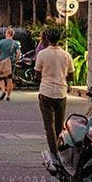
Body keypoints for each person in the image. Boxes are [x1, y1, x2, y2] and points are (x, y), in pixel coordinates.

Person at [35, 26, 75, 161]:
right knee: (59, 125)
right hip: (61, 93)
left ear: (47, 38)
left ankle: (54, 153)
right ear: (60, 39)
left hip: (46, 92)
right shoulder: (66, 55)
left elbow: (37, 74)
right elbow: (71, 77)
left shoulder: (42, 54)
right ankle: (60, 150)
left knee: (49, 126)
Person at [0, 29, 21, 101]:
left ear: (8, 33)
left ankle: (3, 91)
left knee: (0, 77)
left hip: (2, 61)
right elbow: (18, 53)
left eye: (6, 33)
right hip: (11, 62)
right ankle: (8, 96)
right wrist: (16, 60)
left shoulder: (2, 41)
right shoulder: (15, 43)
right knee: (9, 79)